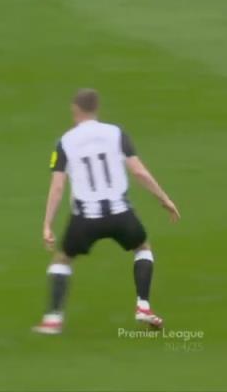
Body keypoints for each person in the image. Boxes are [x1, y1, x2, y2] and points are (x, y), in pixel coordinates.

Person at [33, 89, 181, 335]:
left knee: (62, 259)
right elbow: (139, 172)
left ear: (75, 110)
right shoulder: (116, 133)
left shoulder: (65, 141)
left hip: (85, 219)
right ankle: (143, 306)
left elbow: (57, 187)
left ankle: (53, 319)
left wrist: (47, 224)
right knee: (142, 248)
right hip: (120, 214)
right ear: (97, 108)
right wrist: (164, 199)